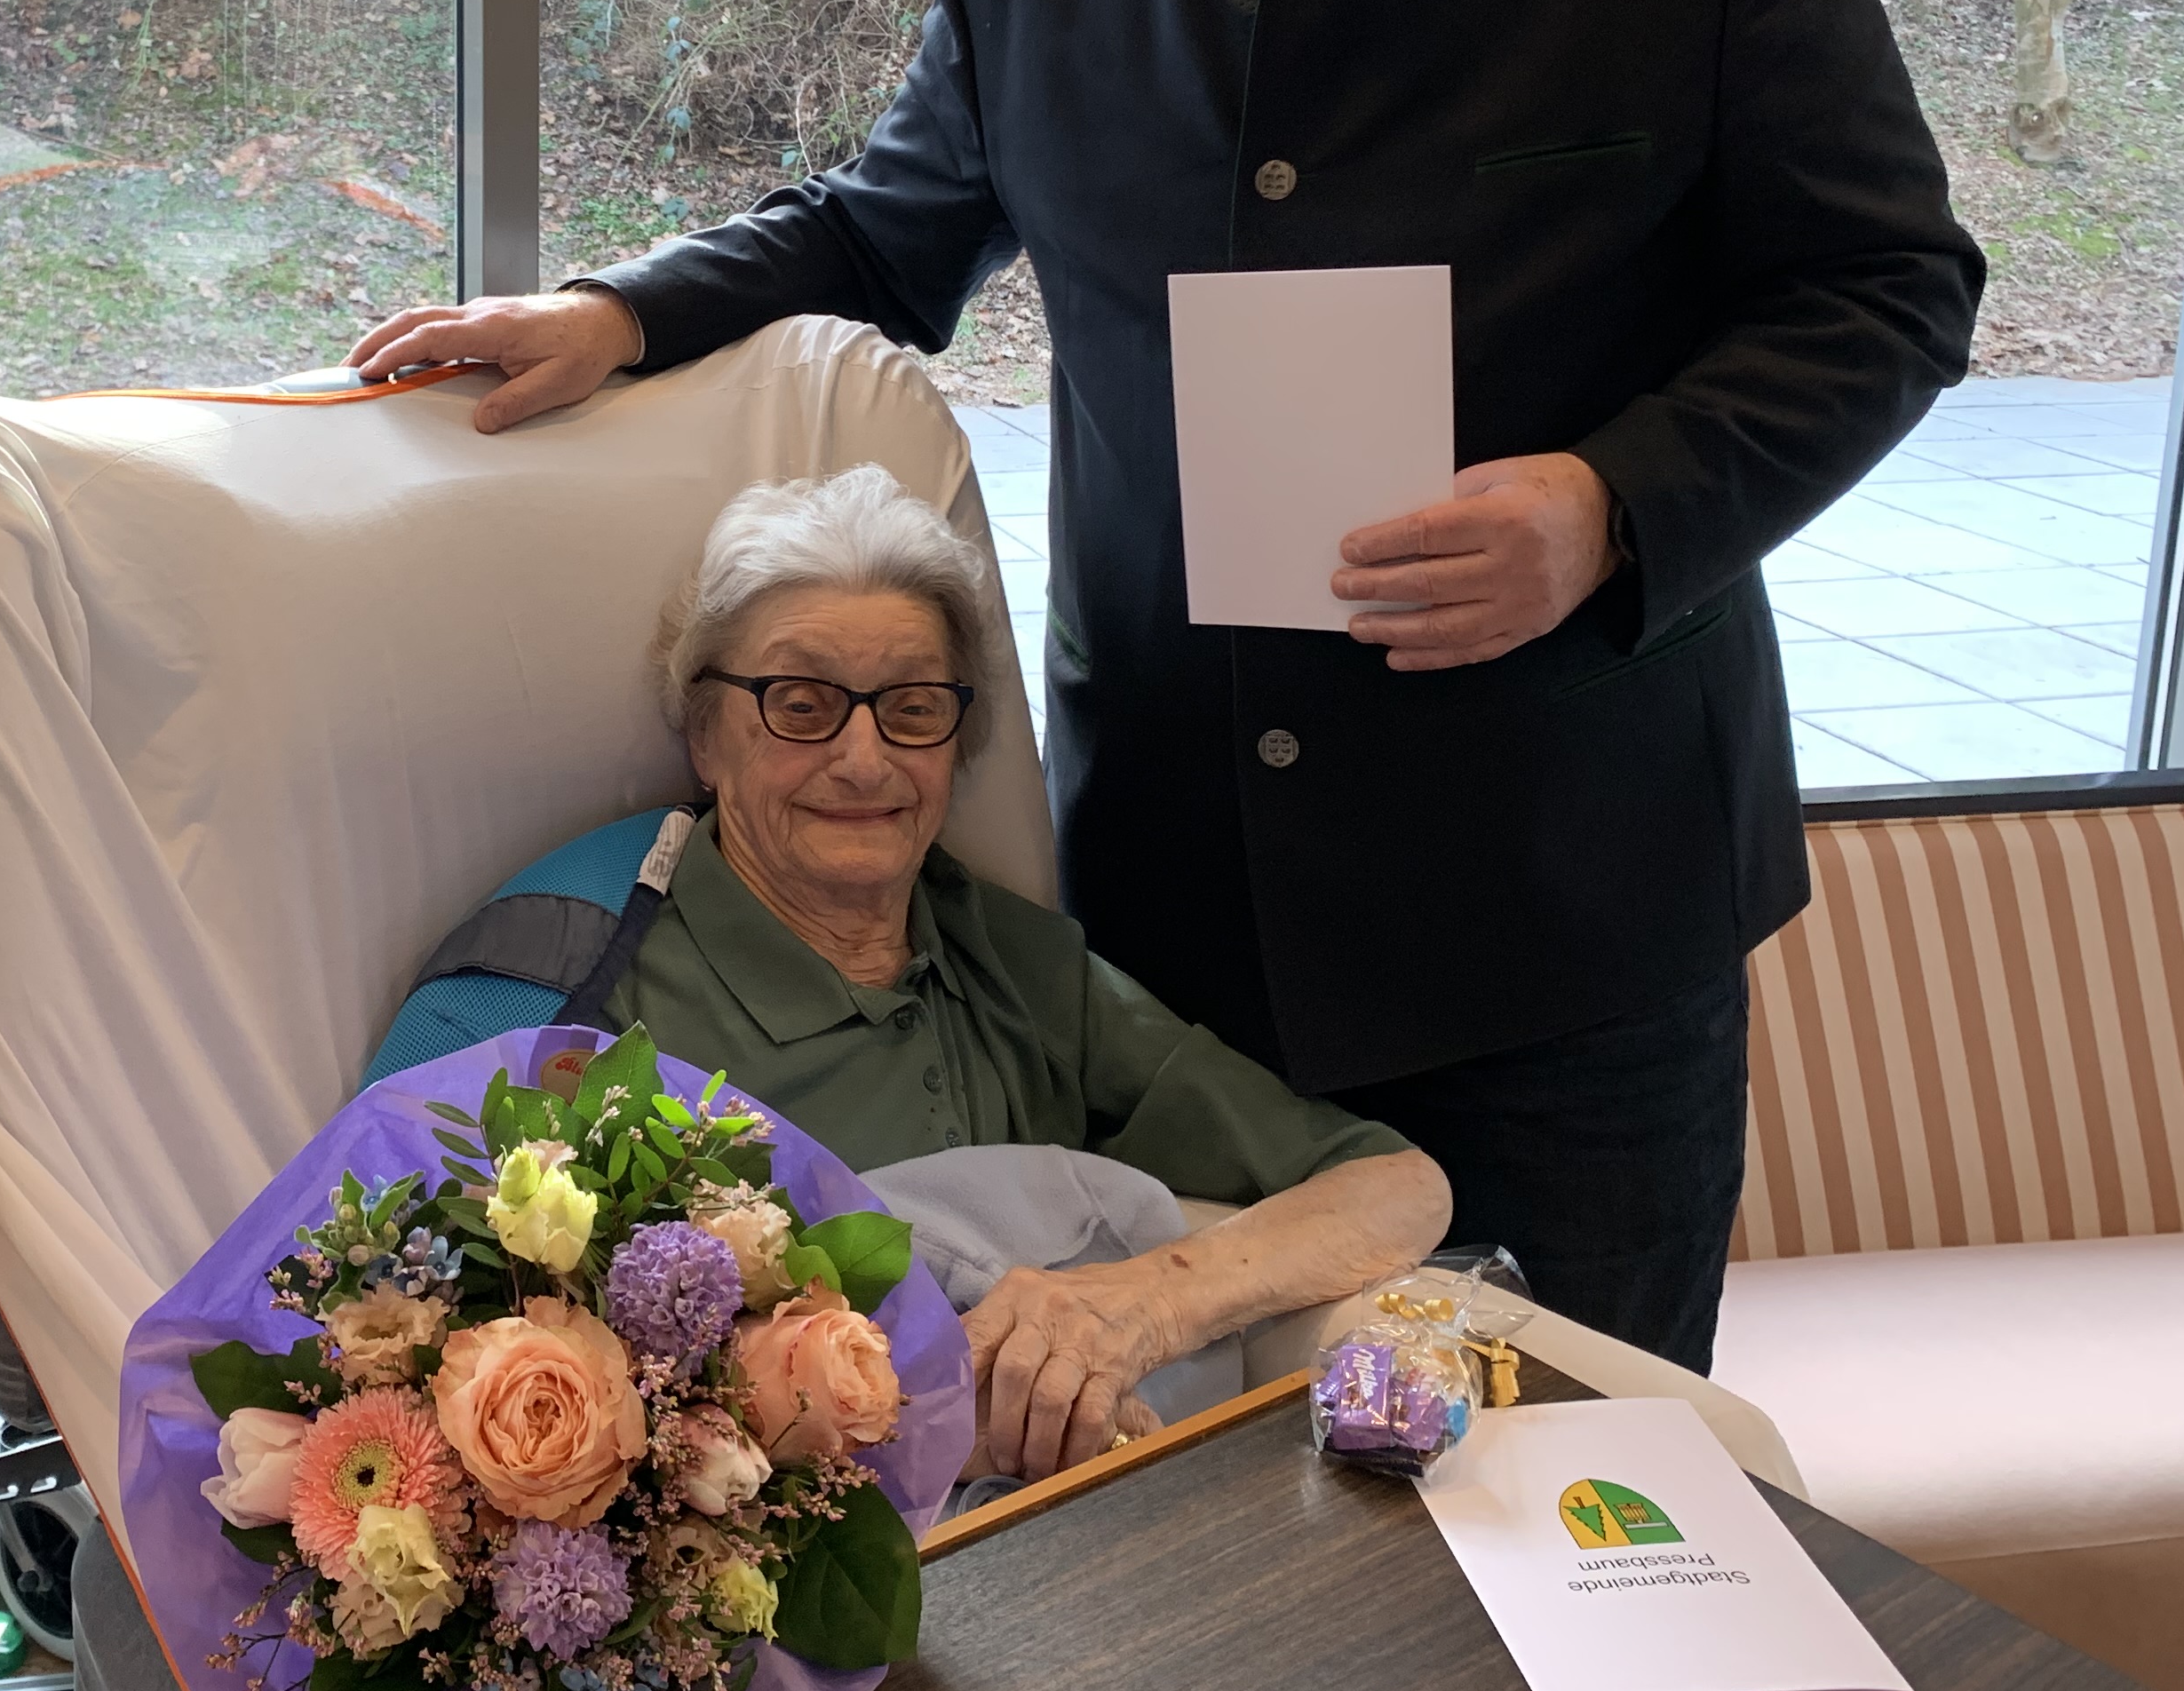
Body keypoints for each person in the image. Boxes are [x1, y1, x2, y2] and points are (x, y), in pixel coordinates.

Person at [357, 0, 1985, 1373]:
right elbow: (883, 226)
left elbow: (1888, 285)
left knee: (1573, 1476)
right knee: (1192, 1511)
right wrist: (615, 311)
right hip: (1174, 950)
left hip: (1566, 928)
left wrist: (1609, 507)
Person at [391, 468, 1452, 1484]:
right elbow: (398, 1367)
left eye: (911, 707)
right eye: (801, 703)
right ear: (704, 734)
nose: (865, 759)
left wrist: (1138, 1308)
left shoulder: (1013, 965)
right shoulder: (558, 997)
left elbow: (1397, 1187)